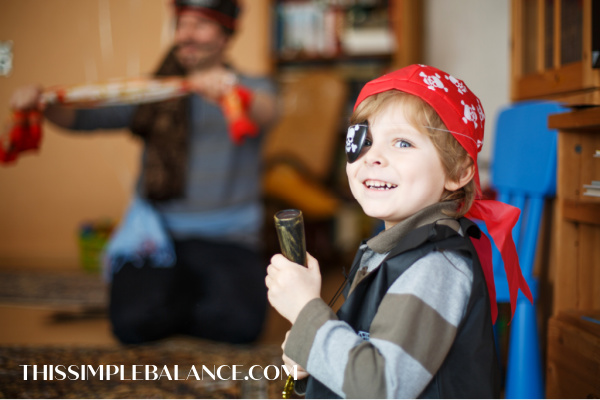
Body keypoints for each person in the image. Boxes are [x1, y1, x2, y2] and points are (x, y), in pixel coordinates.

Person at [10, 0, 279, 344]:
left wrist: (231, 91)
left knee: (241, 327)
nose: (186, 34)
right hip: (156, 236)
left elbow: (266, 111)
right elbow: (83, 117)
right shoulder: (155, 90)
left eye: (200, 24)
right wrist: (41, 103)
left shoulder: (254, 87)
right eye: (182, 24)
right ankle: (183, 298)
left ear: (226, 35)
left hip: (229, 239)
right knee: (131, 324)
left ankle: (183, 299)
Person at [265, 64, 532, 398]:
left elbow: (380, 388)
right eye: (364, 140)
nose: (373, 157)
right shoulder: (389, 250)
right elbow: (367, 350)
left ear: (459, 171)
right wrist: (314, 355)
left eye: (402, 143)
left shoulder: (435, 268)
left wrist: (305, 309)